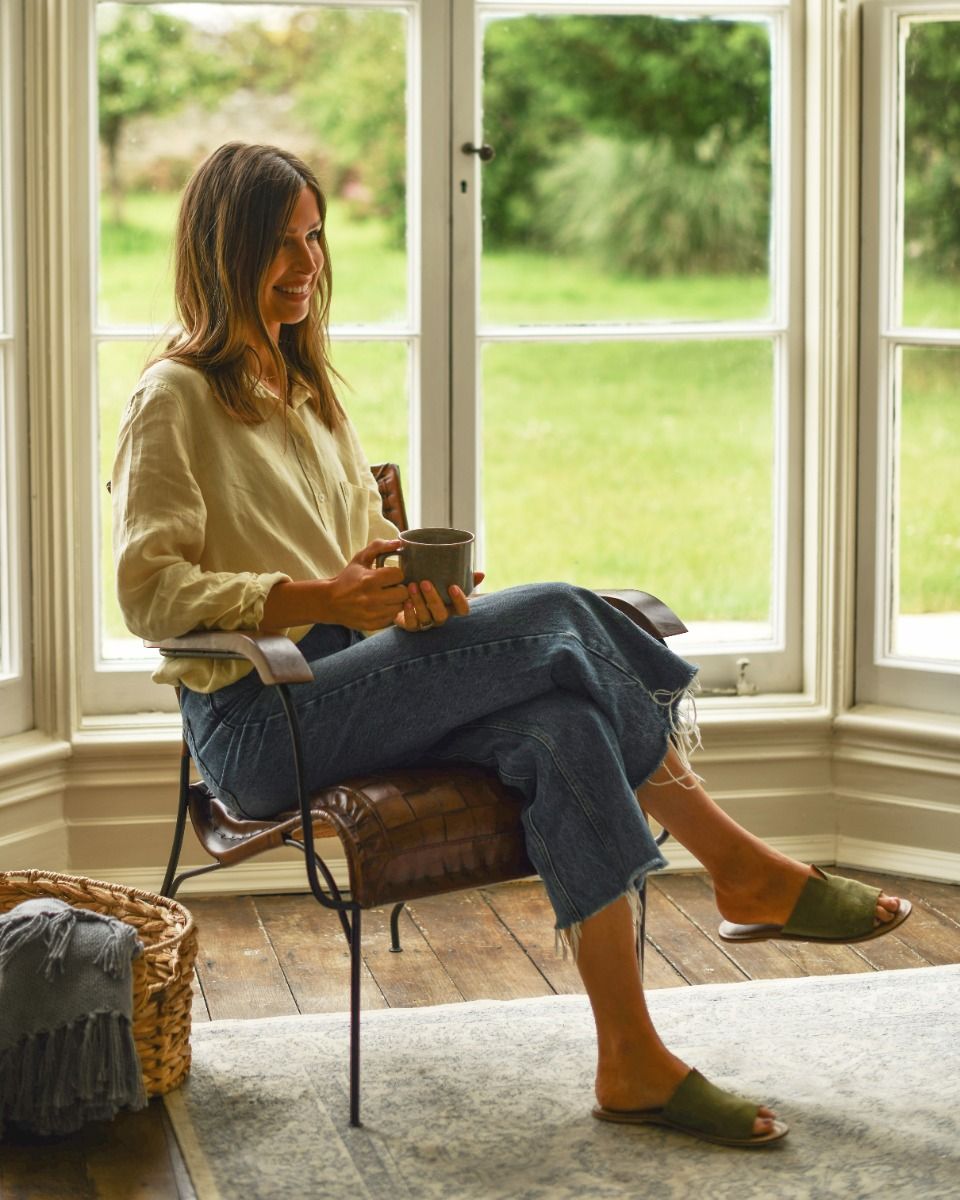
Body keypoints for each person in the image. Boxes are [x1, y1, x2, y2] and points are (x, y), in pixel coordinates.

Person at [112, 142, 911, 1148]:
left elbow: (353, 550)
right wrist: (315, 596)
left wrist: (402, 582)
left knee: (563, 725)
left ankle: (629, 1057)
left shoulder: (312, 392)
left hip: (356, 684)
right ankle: (739, 865)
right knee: (563, 614)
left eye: (314, 238)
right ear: (220, 250)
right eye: (279, 245)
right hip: (261, 720)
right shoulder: (174, 397)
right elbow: (148, 591)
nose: (306, 265)